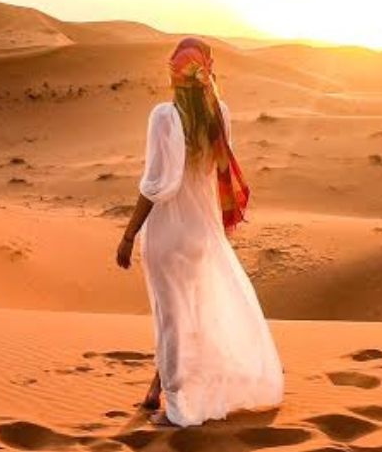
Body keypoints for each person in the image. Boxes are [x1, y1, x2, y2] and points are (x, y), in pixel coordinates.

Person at [115, 37, 283, 425]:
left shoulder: (163, 117)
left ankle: (177, 408)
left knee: (170, 317)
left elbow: (154, 185)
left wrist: (128, 235)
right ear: (208, 69)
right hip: (201, 232)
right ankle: (156, 391)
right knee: (186, 314)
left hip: (166, 232)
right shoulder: (219, 115)